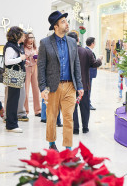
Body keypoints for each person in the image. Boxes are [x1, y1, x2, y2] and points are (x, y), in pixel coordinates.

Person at [38, 10, 83, 151]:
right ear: (55, 26)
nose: (66, 24)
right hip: (52, 87)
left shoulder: (71, 42)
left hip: (70, 86)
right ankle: (51, 144)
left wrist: (79, 86)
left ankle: (68, 148)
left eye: (66, 21)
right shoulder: (45, 43)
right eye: (63, 21)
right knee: (51, 117)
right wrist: (42, 88)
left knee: (69, 118)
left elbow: (76, 65)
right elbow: (41, 67)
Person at [67, 32, 102, 134]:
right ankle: (85, 127)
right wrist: (100, 59)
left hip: (70, 85)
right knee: (85, 106)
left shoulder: (67, 52)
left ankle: (75, 128)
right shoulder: (86, 52)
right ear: (78, 40)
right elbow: (94, 64)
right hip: (84, 84)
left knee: (73, 107)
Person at [4, 26, 26, 133]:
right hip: (13, 75)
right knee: (12, 100)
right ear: (17, 35)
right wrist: (20, 59)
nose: (24, 36)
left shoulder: (17, 45)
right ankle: (11, 125)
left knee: (14, 99)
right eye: (22, 34)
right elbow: (7, 62)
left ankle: (12, 122)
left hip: (17, 75)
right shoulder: (10, 47)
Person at [24, 32, 41, 116]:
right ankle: (26, 111)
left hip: (35, 68)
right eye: (29, 37)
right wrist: (28, 56)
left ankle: (37, 110)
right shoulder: (23, 48)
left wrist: (37, 58)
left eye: (32, 37)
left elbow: (38, 58)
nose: (31, 39)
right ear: (26, 38)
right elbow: (22, 58)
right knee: (26, 91)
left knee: (36, 90)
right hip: (26, 69)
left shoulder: (35, 48)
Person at [85, 37, 102, 110]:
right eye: (94, 42)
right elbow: (94, 63)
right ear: (92, 43)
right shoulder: (88, 51)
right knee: (88, 90)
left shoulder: (87, 50)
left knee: (88, 90)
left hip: (88, 74)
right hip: (88, 74)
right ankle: (88, 104)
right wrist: (99, 59)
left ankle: (87, 103)